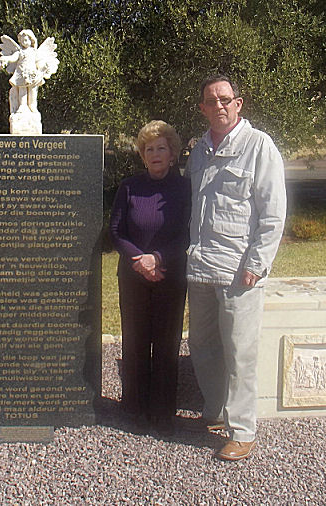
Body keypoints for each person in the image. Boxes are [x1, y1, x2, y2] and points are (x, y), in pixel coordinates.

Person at [184, 75, 287, 460]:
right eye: (211, 100)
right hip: (202, 268)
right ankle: (216, 412)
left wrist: (257, 264)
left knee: (240, 352)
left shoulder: (259, 147)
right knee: (204, 346)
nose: (219, 105)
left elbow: (273, 213)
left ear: (239, 103)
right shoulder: (198, 152)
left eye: (225, 99)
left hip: (239, 272)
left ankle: (242, 430)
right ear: (203, 108)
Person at [110, 120, 192, 435]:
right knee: (135, 339)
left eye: (161, 148)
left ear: (172, 154)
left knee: (167, 341)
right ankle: (133, 404)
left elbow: (187, 233)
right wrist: (139, 260)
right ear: (142, 155)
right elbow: (116, 232)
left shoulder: (184, 188)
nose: (155, 154)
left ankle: (161, 409)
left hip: (170, 274)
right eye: (149, 149)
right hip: (132, 276)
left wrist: (156, 258)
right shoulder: (129, 186)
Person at [0, 30, 59, 115]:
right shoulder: (19, 52)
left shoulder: (34, 52)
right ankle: (22, 106)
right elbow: (13, 58)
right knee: (22, 90)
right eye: (22, 41)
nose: (24, 42)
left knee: (32, 90)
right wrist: (6, 59)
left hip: (32, 74)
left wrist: (44, 67)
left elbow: (39, 62)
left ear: (31, 40)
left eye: (26, 40)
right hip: (21, 73)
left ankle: (32, 105)